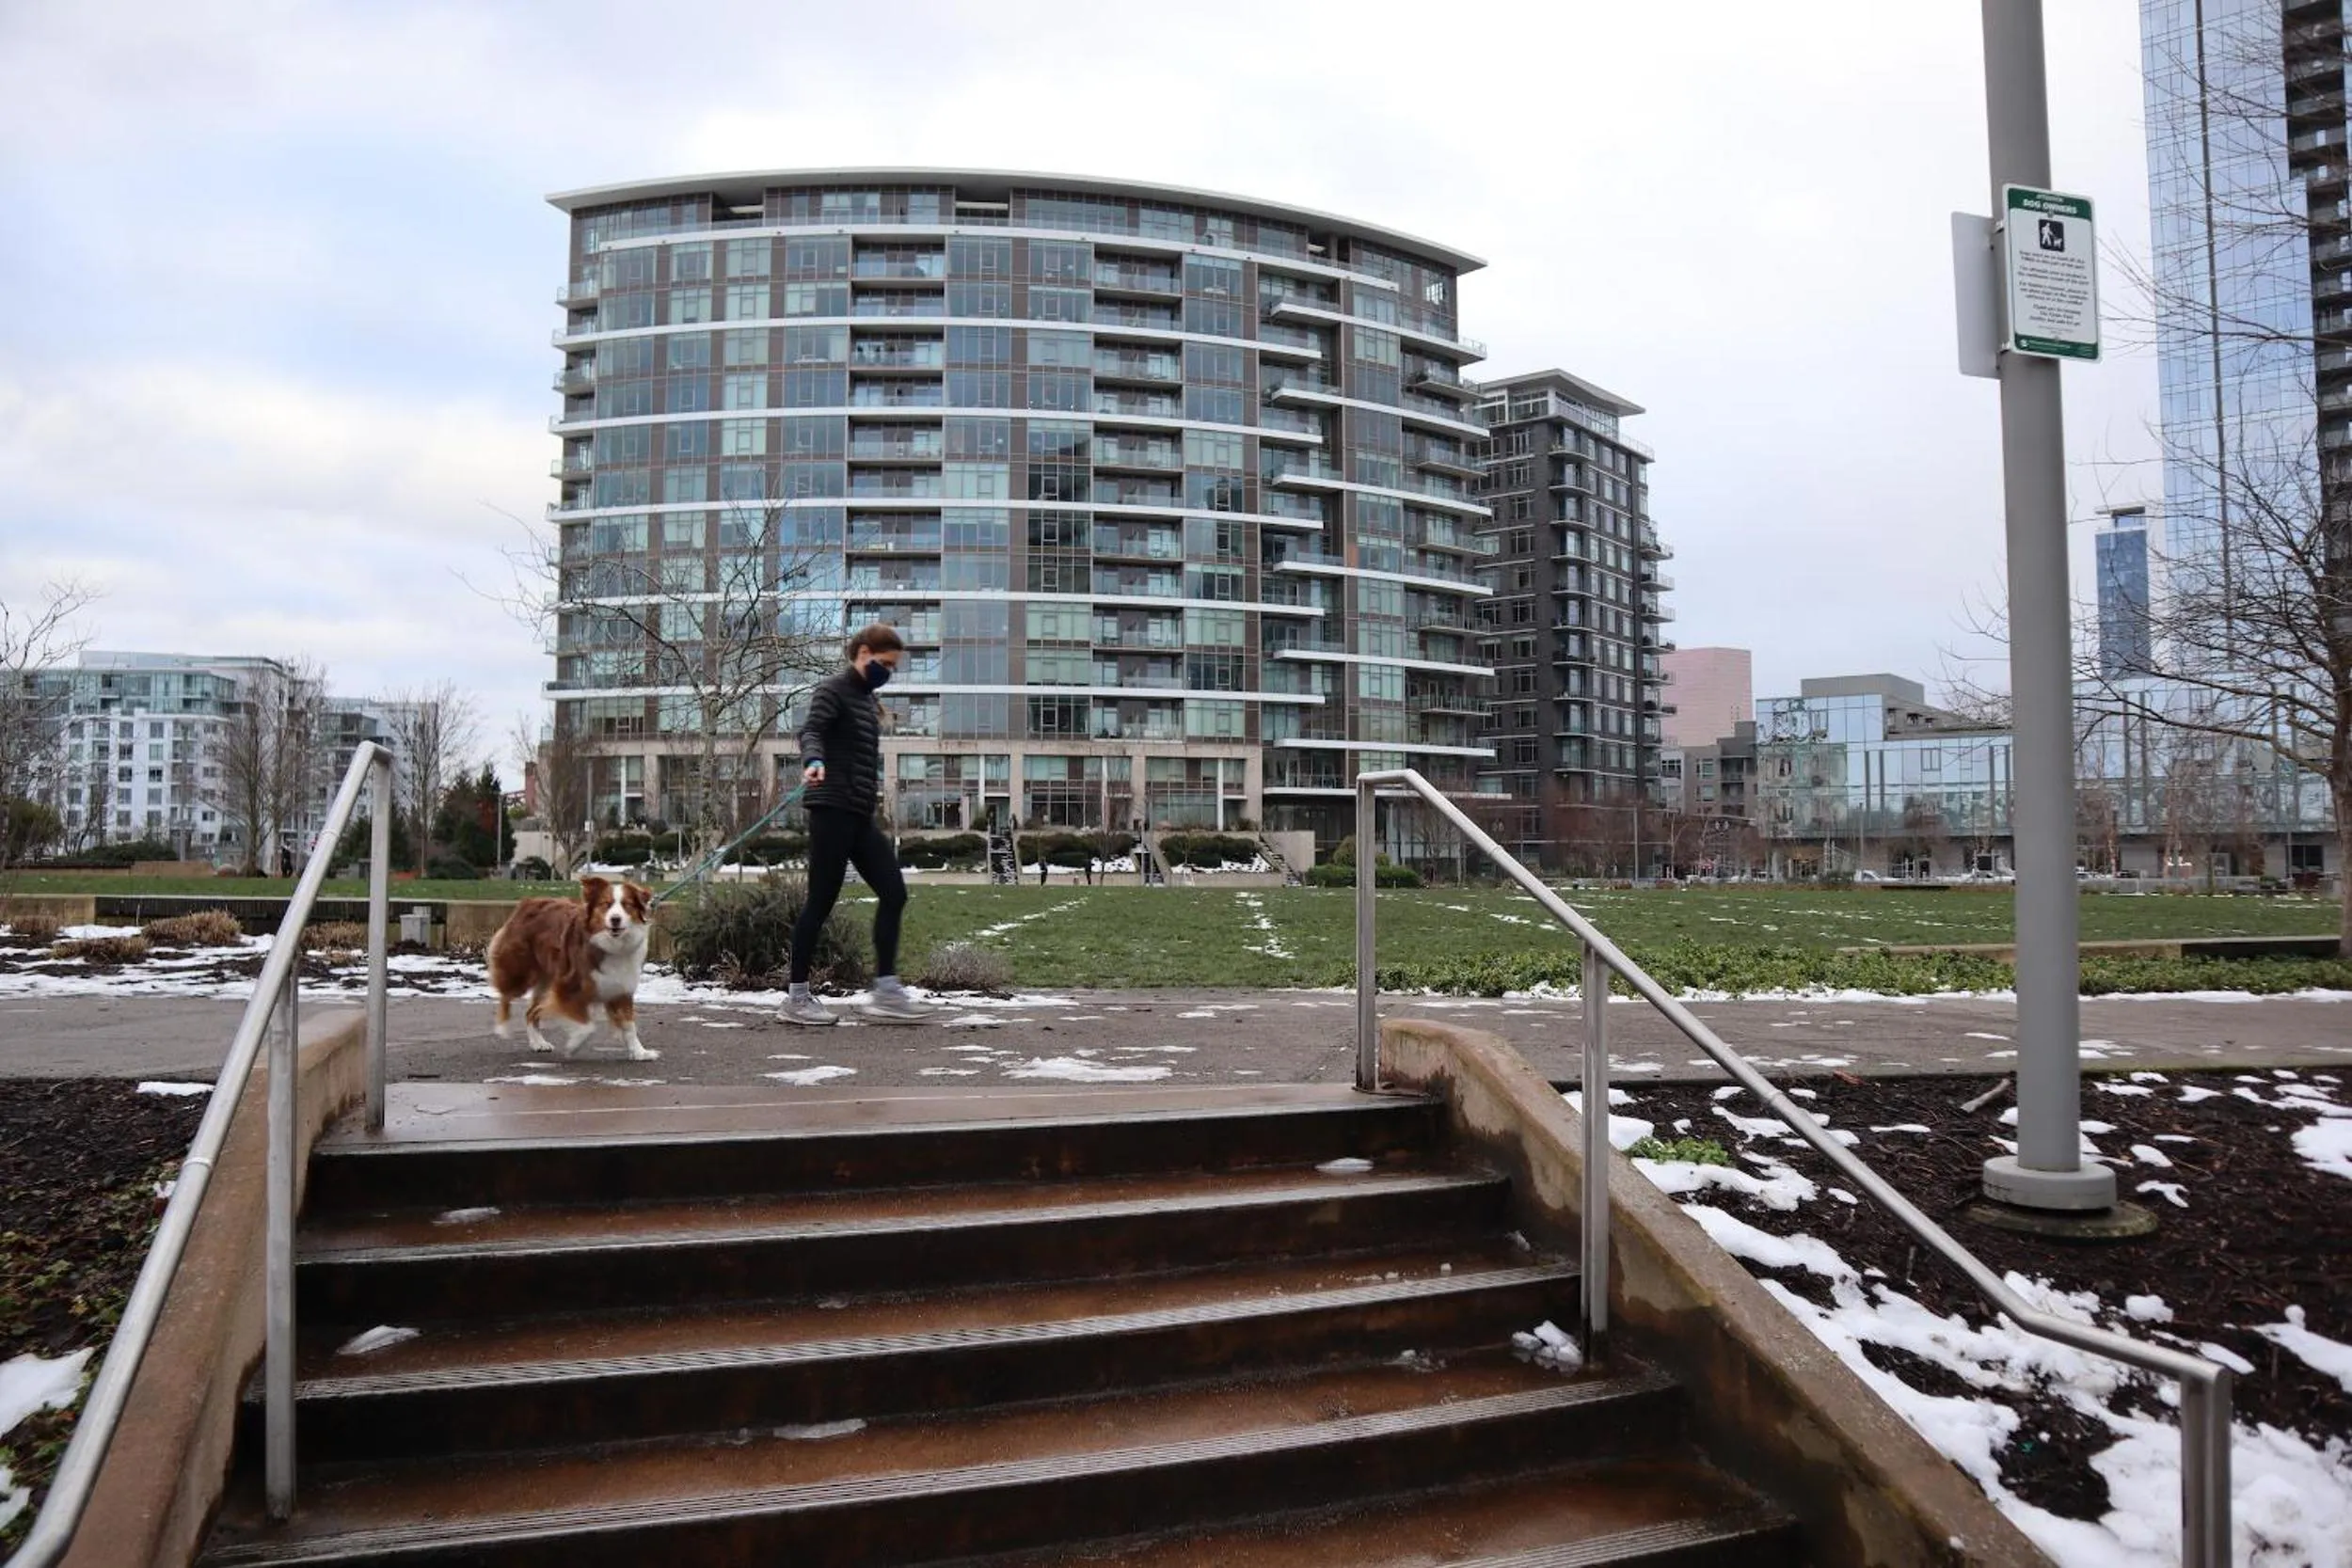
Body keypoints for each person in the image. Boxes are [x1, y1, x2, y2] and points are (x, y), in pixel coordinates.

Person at [777, 625, 927, 1025]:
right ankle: (797, 998)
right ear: (863, 652)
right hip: (831, 810)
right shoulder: (834, 690)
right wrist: (813, 760)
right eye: (884, 663)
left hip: (858, 813)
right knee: (820, 903)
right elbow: (811, 730)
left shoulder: (865, 699)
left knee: (893, 892)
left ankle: (886, 991)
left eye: (893, 667)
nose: (888, 672)